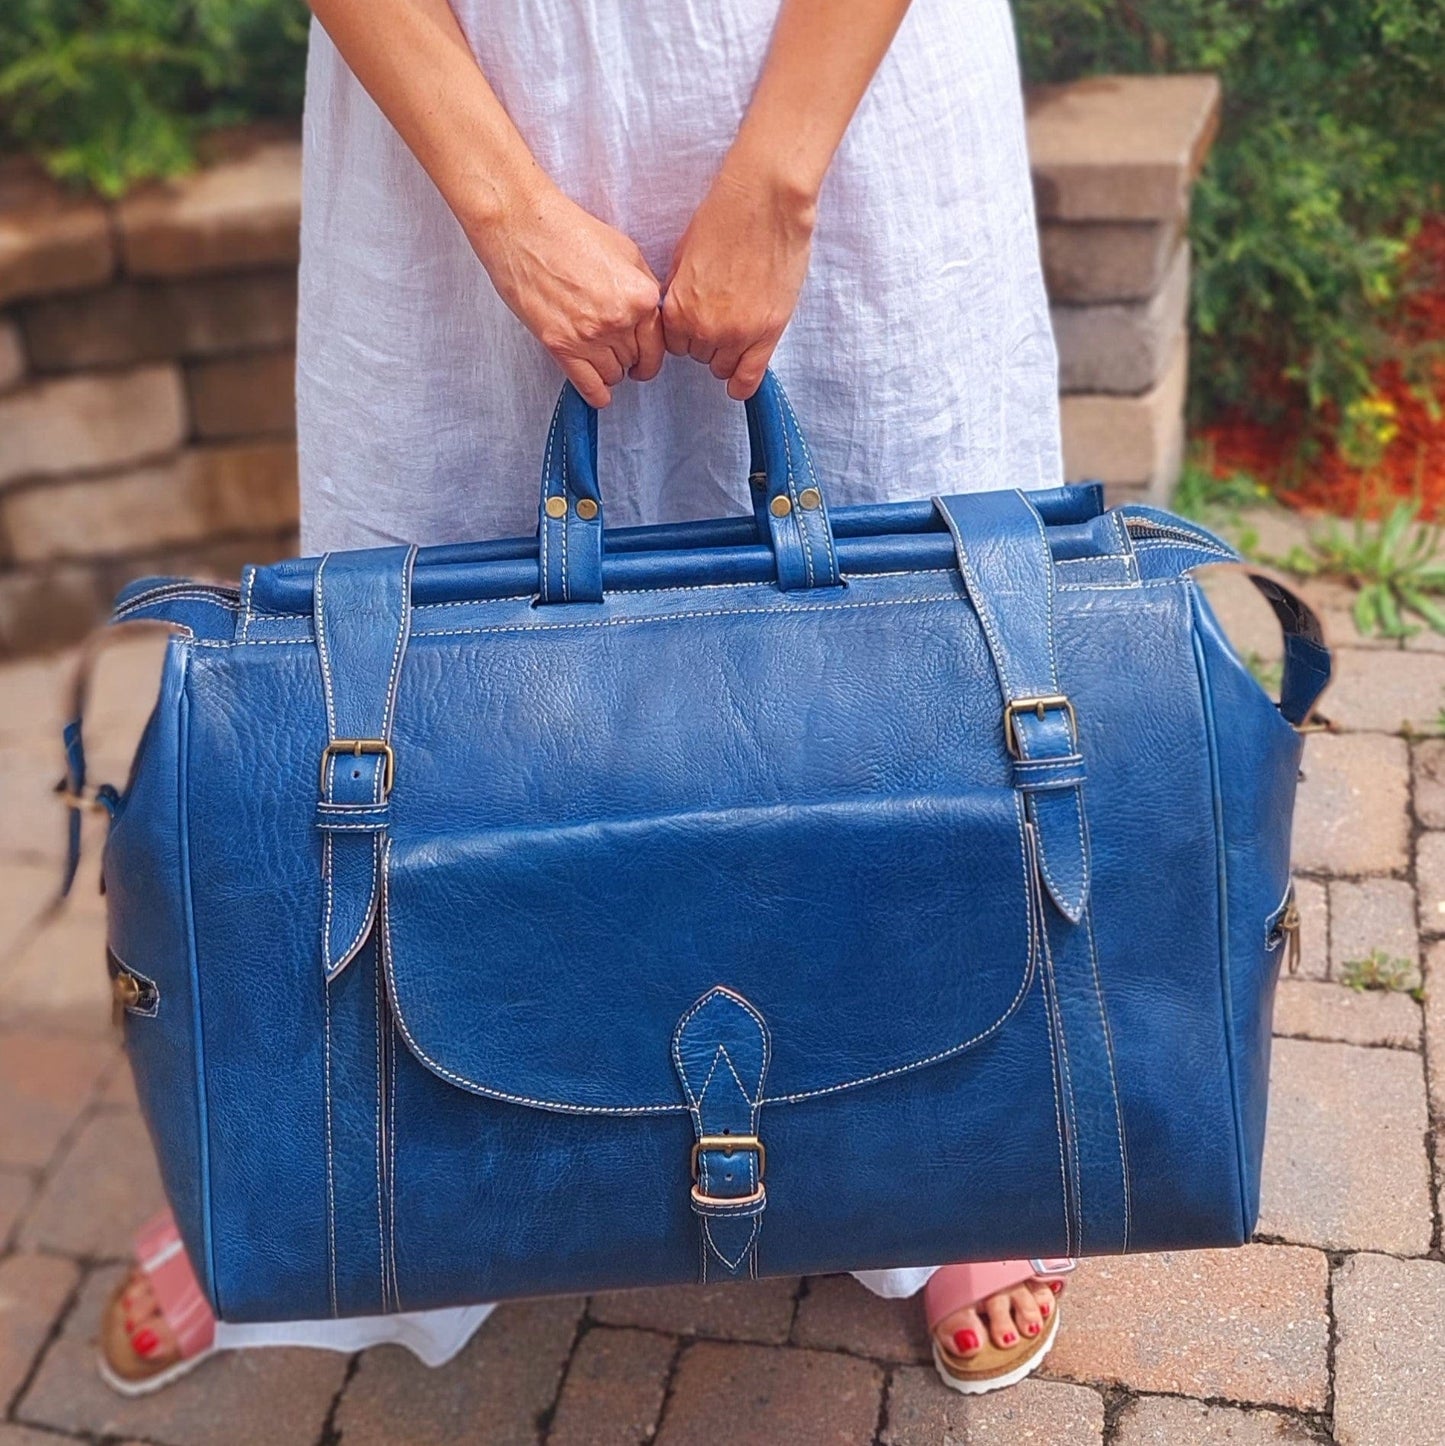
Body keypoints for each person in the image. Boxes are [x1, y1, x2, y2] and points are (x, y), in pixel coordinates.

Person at [100, 0, 1073, 1400]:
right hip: (459, 97)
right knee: (422, 662)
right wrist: (502, 208)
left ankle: (955, 1159)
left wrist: (781, 174)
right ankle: (322, 1155)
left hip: (835, 84)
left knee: (907, 639)